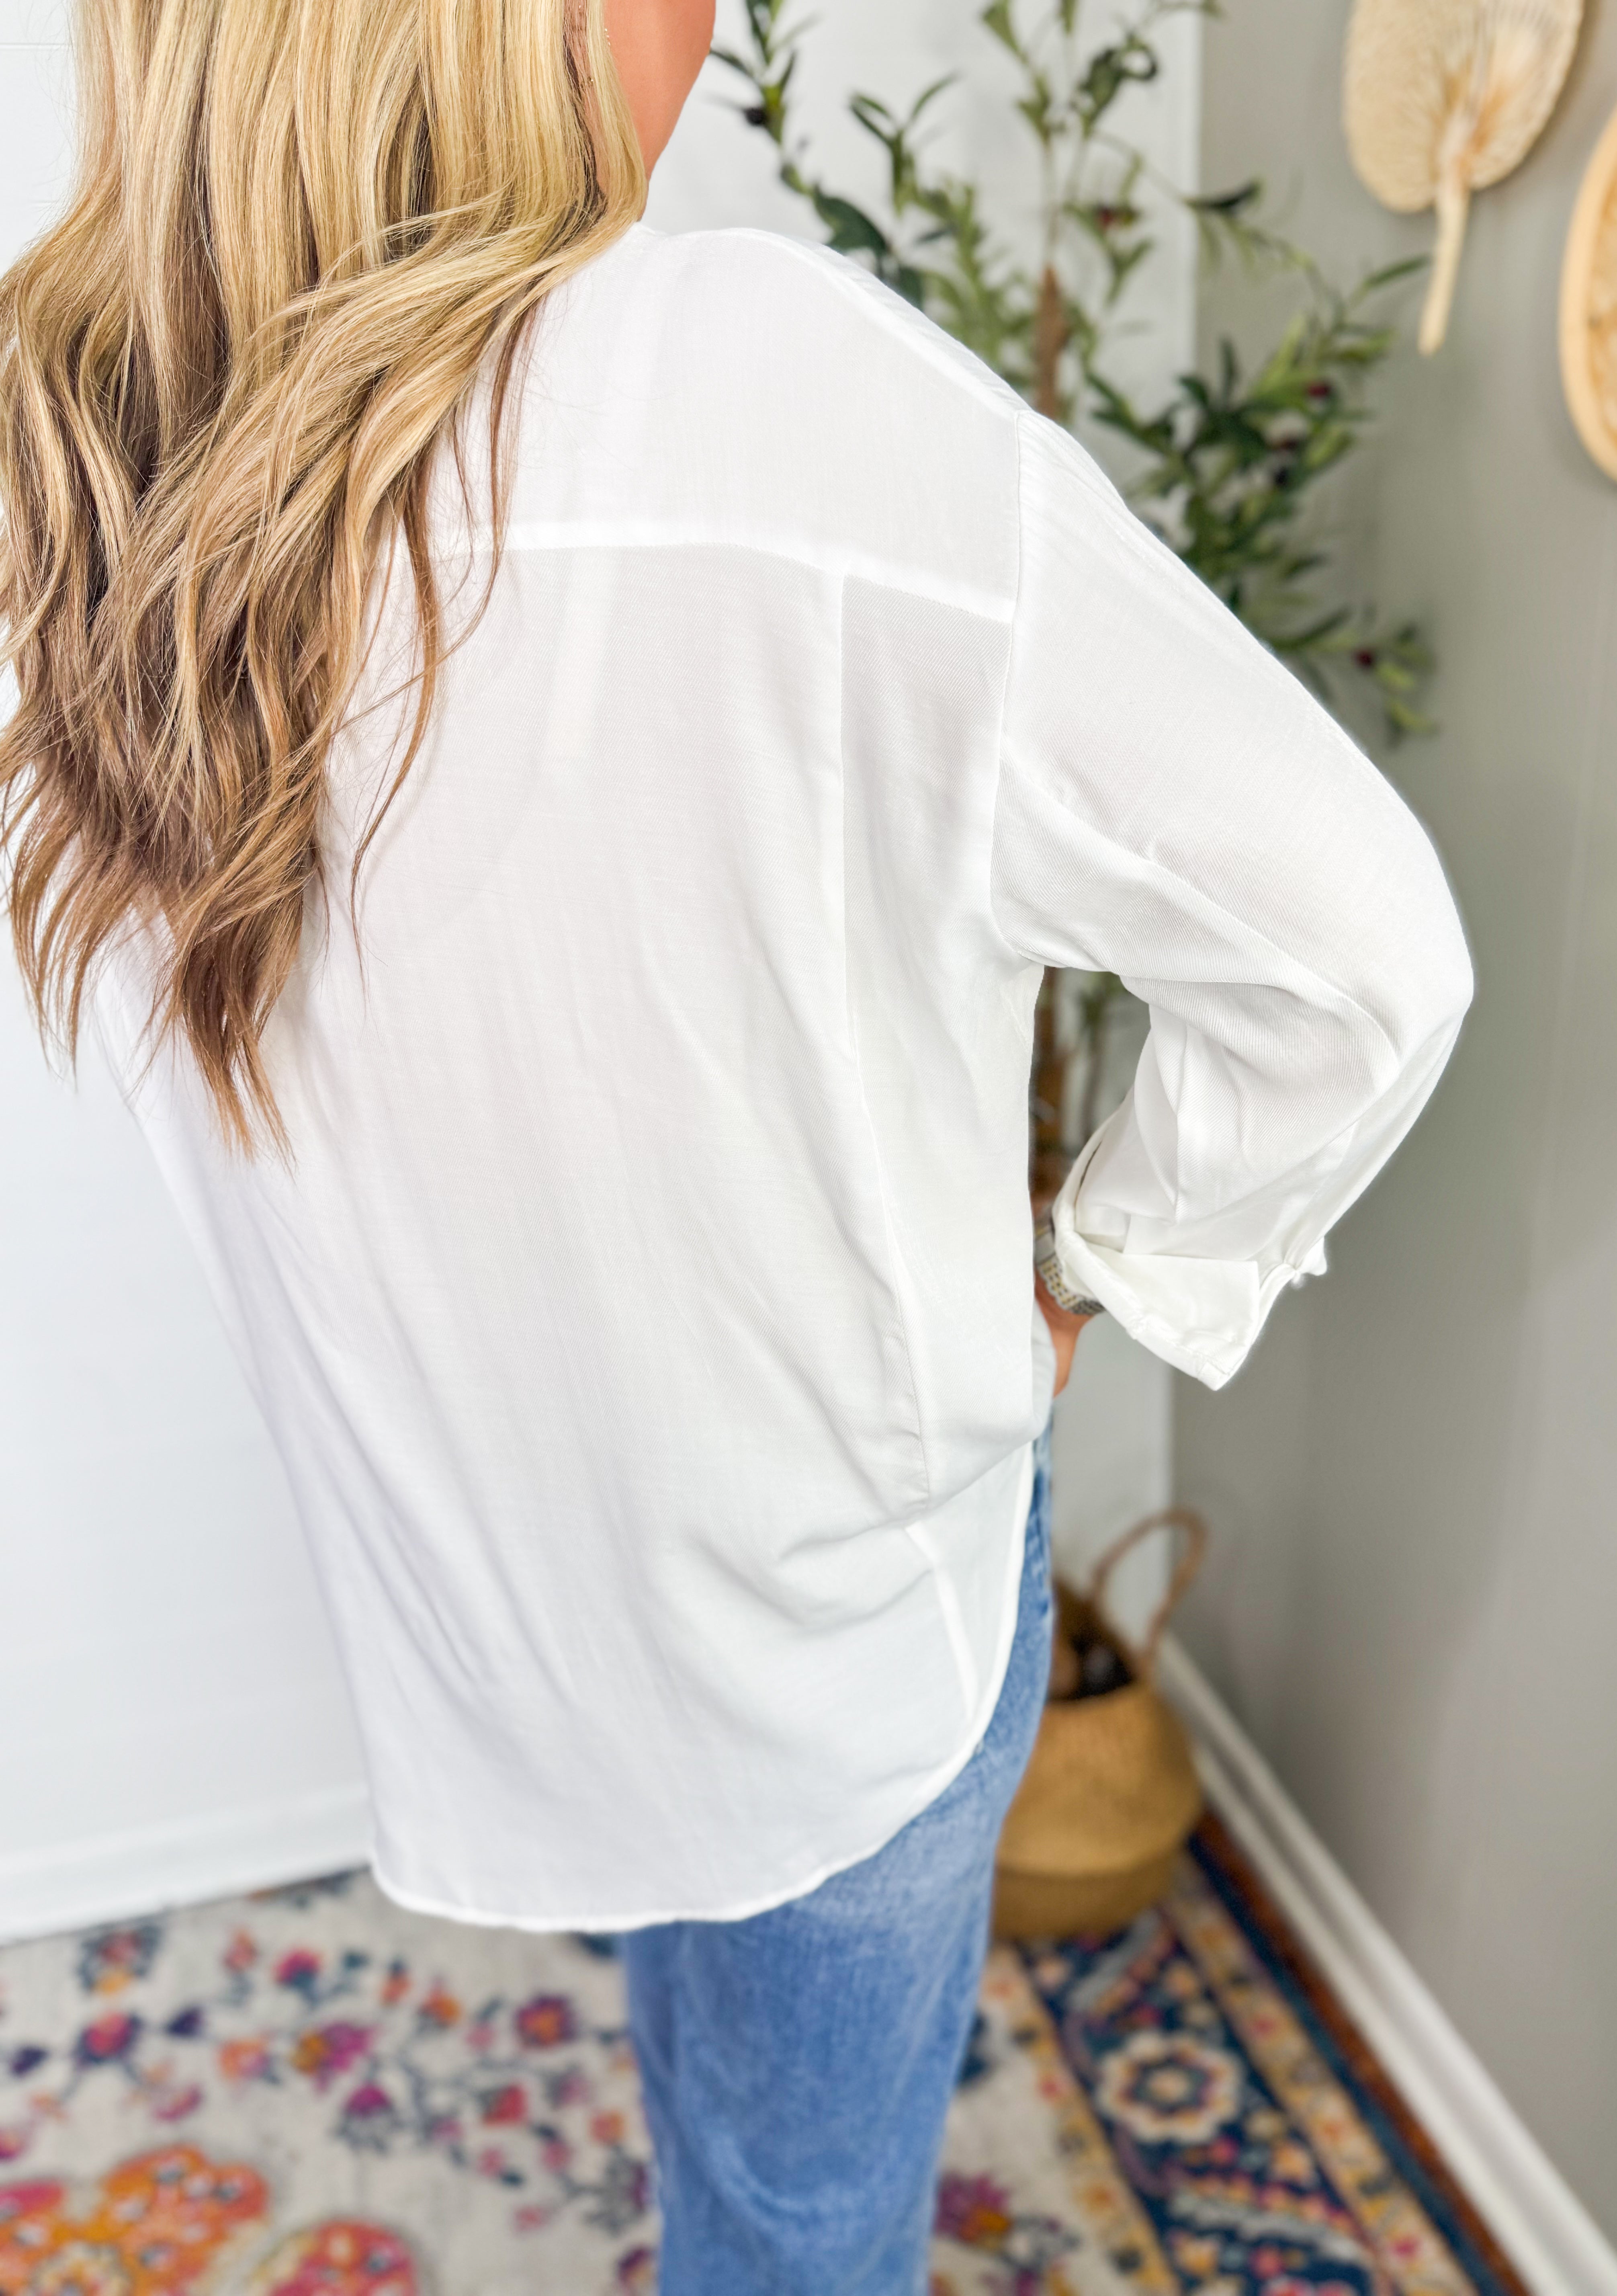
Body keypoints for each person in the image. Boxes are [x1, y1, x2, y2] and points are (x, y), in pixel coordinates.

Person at [0, 0, 1473, 2287]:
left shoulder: (122, 453)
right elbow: (1364, 942)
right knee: (801, 2207)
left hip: (500, 1611)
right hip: (833, 1619)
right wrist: (1112, 1270)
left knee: (719, 2070)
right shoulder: (774, 392)